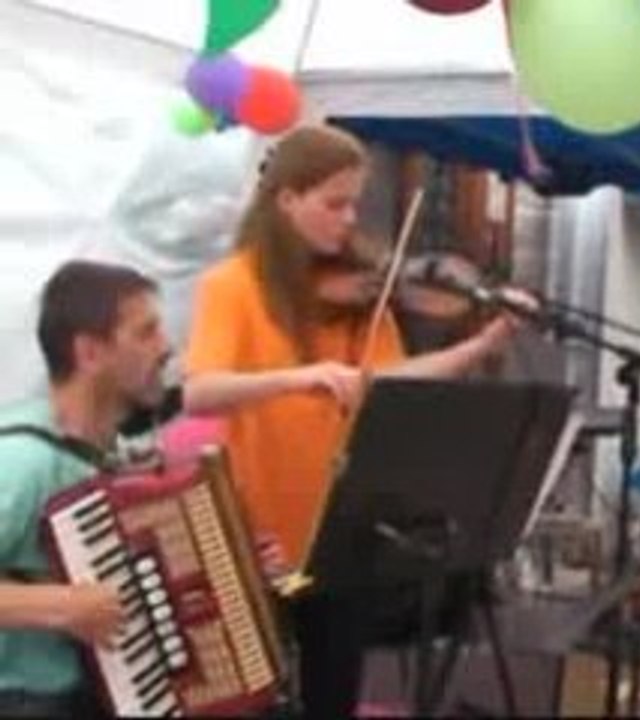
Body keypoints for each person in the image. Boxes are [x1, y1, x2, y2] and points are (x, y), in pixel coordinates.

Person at [183, 123, 533, 718]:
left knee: (332, 695)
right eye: (335, 204)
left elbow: (392, 380)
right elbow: (200, 393)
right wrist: (299, 376)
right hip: (262, 543)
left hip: (337, 544)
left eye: (354, 203)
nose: (350, 221)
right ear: (287, 199)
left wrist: (483, 344)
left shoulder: (351, 299)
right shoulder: (232, 286)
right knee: (253, 698)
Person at [0, 259, 172, 717]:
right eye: (146, 332)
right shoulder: (22, 460)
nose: (166, 347)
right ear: (90, 353)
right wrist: (61, 606)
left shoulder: (106, 453)